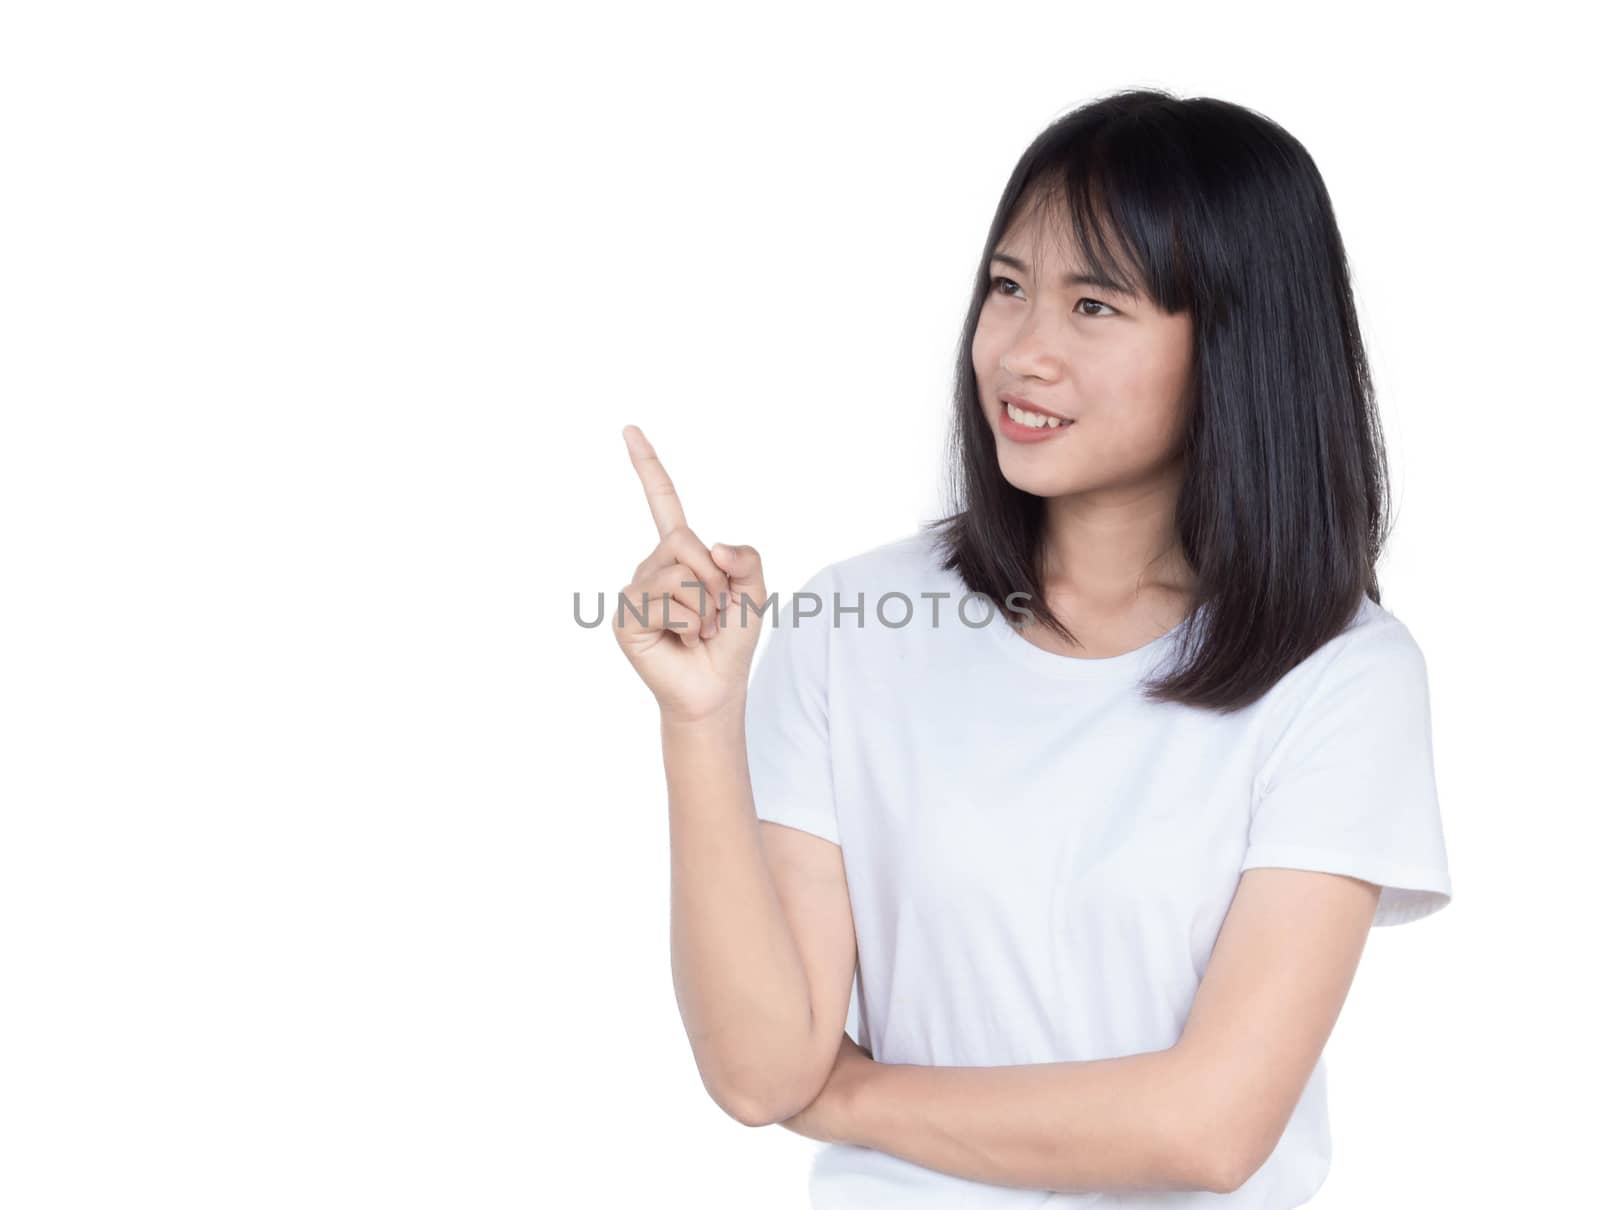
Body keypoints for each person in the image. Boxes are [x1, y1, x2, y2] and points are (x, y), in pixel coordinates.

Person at [611, 87, 1453, 1210]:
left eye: (1093, 304)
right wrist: (700, 719)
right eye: (1007, 288)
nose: (1021, 350)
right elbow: (763, 1067)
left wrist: (854, 1099)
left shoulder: (1340, 673)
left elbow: (1208, 1127)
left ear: (1236, 344)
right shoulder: (856, 620)